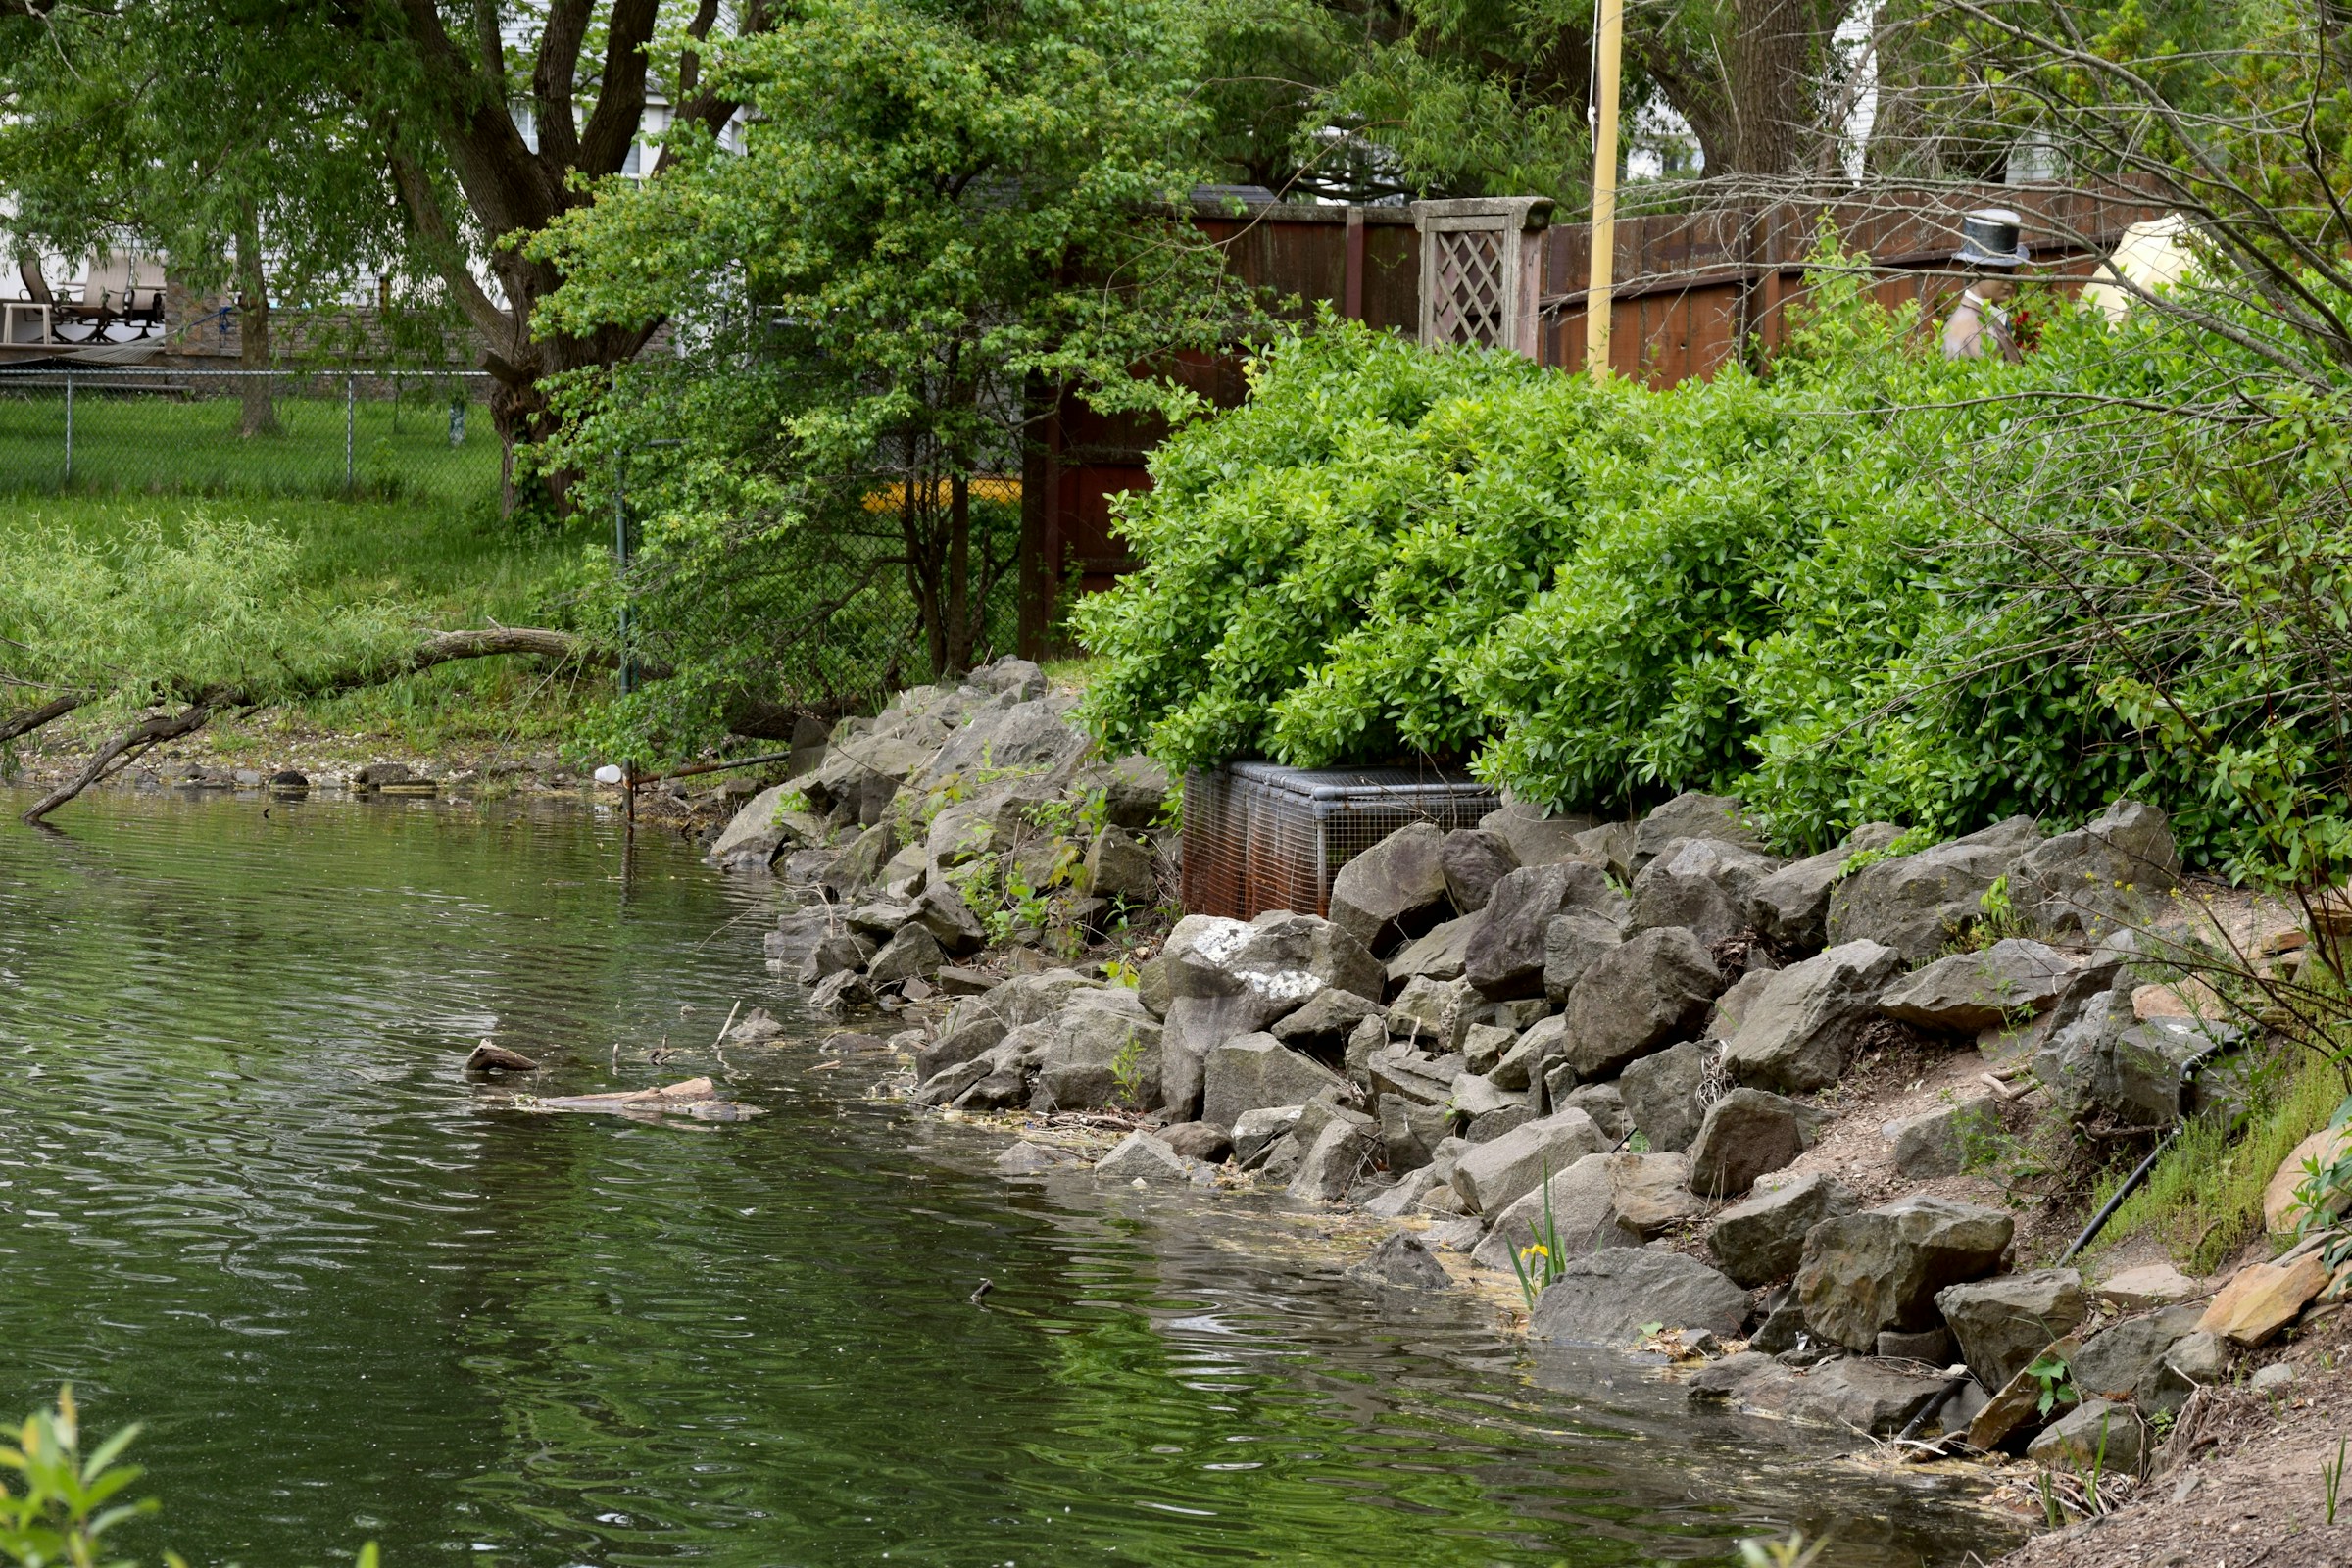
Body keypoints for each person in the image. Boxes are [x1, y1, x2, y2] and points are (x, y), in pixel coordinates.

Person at [1942, 208, 2031, 362]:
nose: (2011, 281)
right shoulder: (1975, 335)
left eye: (2012, 271)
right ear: (1975, 268)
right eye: (2002, 272)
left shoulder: (1987, 317)